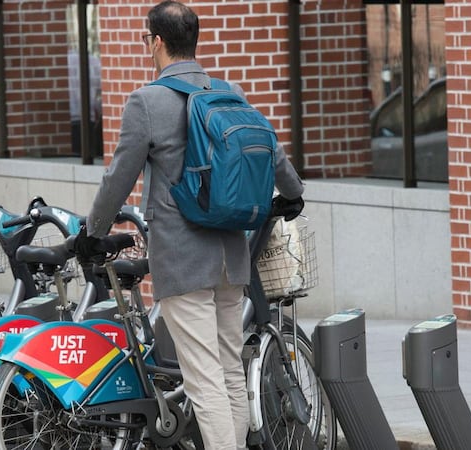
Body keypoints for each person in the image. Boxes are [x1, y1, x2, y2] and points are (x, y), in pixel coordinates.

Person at [75, 1, 304, 448]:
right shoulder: (228, 92)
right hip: (231, 257)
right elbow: (271, 150)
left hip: (182, 259)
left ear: (156, 42)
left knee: (204, 381)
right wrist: (292, 194)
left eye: (147, 39)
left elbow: (119, 176)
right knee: (228, 370)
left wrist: (93, 232)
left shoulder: (147, 102)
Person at [68, 48, 103, 157]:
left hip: (68, 121)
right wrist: (99, 111)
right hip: (89, 120)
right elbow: (100, 94)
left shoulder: (64, 62)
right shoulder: (95, 62)